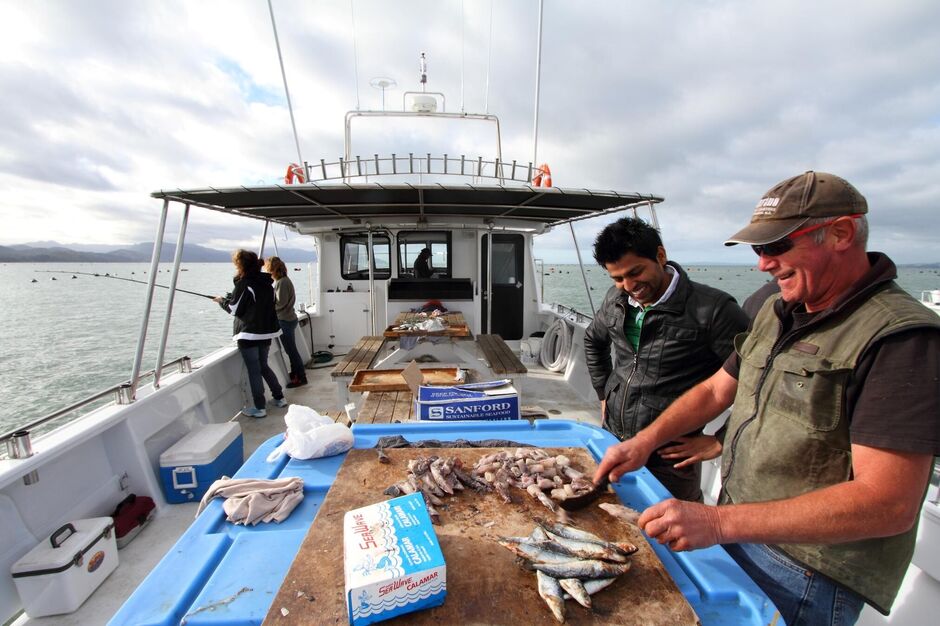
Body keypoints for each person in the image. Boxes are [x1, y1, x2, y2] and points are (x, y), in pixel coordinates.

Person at [594, 171, 940, 625]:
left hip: (808, 570)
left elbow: (888, 503)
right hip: (737, 529)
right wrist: (643, 443)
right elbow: (718, 388)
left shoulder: (901, 338)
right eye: (758, 249)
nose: (762, 264)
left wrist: (716, 523)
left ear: (841, 233)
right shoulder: (774, 308)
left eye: (777, 246)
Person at [584, 217, 748, 501]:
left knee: (671, 532)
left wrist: (721, 440)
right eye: (618, 278)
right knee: (611, 517)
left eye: (635, 272)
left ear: (660, 256)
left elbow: (760, 382)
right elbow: (593, 341)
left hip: (670, 455)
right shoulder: (615, 299)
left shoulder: (714, 311)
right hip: (612, 437)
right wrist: (603, 394)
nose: (628, 285)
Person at [213, 249, 286, 418]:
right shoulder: (267, 283)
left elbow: (233, 309)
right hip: (266, 333)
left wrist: (221, 301)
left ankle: (260, 408)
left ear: (240, 266)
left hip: (248, 335)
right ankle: (279, 398)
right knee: (264, 366)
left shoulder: (243, 283)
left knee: (254, 370)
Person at [264, 256, 307, 388]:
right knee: (291, 350)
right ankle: (295, 374)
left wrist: (266, 308)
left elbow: (280, 303)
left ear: (273, 269)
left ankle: (301, 377)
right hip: (289, 319)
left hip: (285, 320)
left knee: (291, 351)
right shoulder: (284, 281)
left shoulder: (282, 282)